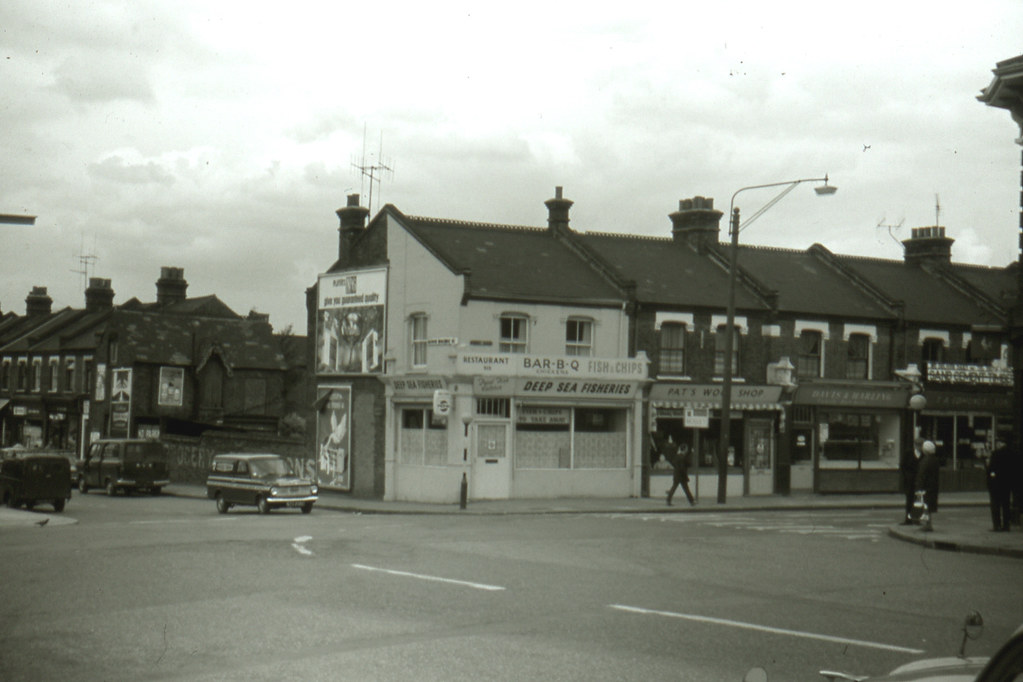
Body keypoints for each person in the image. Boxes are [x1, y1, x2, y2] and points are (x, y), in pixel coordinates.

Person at [986, 440, 1012, 532]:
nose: (997, 445)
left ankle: (997, 525)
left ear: (1001, 443)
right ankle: (1006, 525)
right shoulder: (1010, 454)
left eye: (998, 443)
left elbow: (991, 469)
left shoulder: (996, 454)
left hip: (996, 484)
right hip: (1007, 484)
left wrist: (991, 478)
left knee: (996, 505)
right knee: (1006, 505)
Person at [915, 440, 940, 532]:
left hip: (926, 487)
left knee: (925, 505)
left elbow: (922, 474)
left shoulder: (926, 461)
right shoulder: (935, 460)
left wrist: (919, 486)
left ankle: (928, 524)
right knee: (928, 506)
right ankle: (928, 523)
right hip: (933, 486)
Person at [899, 438, 923, 525]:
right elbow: (903, 465)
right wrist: (906, 476)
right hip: (910, 481)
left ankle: (916, 519)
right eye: (918, 445)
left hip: (920, 482)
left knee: (918, 501)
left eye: (921, 445)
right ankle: (908, 519)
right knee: (909, 500)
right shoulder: (908, 454)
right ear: (915, 445)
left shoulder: (923, 455)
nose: (920, 447)